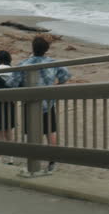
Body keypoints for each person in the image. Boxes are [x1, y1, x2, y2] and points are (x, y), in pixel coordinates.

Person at [18, 35, 70, 172]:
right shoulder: (52, 62)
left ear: (32, 48)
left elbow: (11, 82)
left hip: (29, 103)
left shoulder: (24, 64)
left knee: (31, 133)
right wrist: (57, 85)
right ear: (46, 49)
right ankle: (52, 161)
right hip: (48, 103)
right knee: (50, 132)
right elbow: (66, 75)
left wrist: (22, 87)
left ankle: (33, 162)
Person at [0, 50, 23, 164]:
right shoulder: (13, 72)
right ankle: (10, 157)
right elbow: (19, 84)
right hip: (8, 104)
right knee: (8, 131)